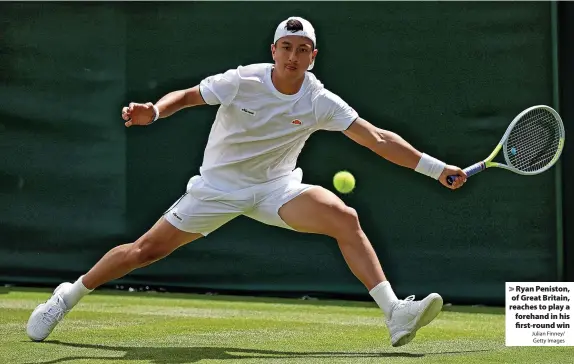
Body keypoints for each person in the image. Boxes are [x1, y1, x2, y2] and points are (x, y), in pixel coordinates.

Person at [26, 16, 467, 347]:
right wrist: (155, 111)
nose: (293, 56)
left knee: (343, 216)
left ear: (314, 56)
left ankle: (395, 313)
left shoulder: (320, 101)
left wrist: (435, 167)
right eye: (286, 47)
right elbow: (187, 96)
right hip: (217, 188)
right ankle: (66, 297)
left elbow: (376, 138)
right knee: (144, 251)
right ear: (273, 50)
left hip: (276, 189)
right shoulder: (243, 81)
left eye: (303, 49)